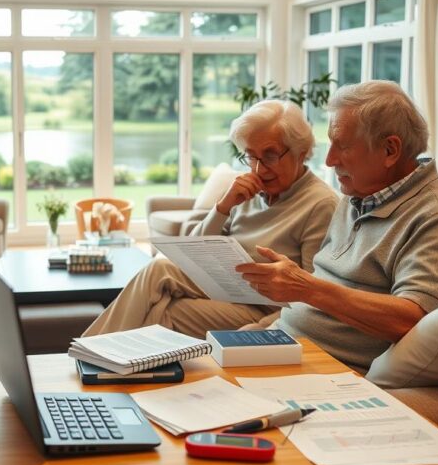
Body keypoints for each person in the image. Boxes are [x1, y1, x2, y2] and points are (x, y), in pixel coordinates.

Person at [236, 81, 438, 370]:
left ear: (390, 150)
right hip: (284, 342)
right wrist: (261, 331)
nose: (329, 161)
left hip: (333, 368)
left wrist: (306, 287)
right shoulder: (356, 197)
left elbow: (413, 319)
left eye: (342, 146)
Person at [83, 100, 338, 338]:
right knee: (161, 270)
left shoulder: (320, 204)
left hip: (266, 311)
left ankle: (90, 357)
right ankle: (97, 359)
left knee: (162, 311)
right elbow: (191, 253)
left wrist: (262, 329)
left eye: (270, 155)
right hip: (223, 288)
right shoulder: (246, 192)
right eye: (251, 156)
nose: (259, 169)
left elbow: (311, 295)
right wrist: (223, 207)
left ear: (301, 152)